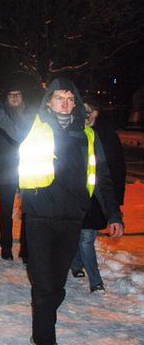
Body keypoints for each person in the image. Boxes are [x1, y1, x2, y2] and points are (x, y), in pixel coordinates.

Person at [0, 63, 124, 345]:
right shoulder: (32, 125)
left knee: (56, 287)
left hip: (72, 219)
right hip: (39, 218)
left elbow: (102, 178)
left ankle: (46, 314)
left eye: (70, 99)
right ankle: (44, 339)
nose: (65, 103)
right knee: (42, 287)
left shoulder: (88, 136)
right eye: (59, 98)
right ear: (49, 102)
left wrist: (114, 213)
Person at [70, 98, 126, 293]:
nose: (88, 116)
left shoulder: (108, 136)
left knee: (86, 237)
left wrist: (115, 205)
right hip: (77, 196)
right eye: (84, 111)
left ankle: (94, 279)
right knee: (81, 234)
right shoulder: (73, 135)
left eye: (91, 112)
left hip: (98, 197)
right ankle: (78, 266)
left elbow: (116, 169)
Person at [0, 86, 28, 261]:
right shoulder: (1, 116)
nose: (15, 98)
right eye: (12, 94)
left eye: (18, 94)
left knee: (29, 212)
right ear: (7, 98)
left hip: (28, 168)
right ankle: (6, 246)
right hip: (7, 168)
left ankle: (26, 249)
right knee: (5, 211)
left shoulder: (29, 116)